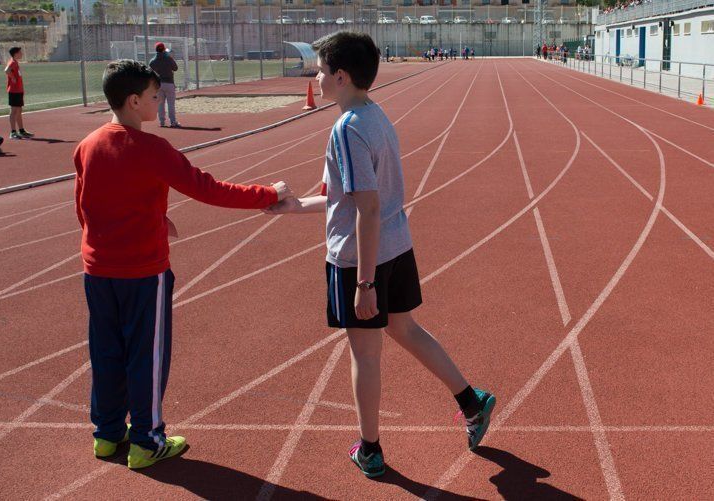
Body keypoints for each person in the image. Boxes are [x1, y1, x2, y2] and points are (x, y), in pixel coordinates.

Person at [264, 32, 496, 478]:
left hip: (358, 259)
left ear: (341, 76)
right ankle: (471, 400)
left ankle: (370, 449)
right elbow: (346, 198)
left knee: (365, 355)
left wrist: (365, 282)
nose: (316, 77)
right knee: (405, 328)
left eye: (320, 71)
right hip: (396, 244)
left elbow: (366, 208)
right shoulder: (374, 114)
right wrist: (296, 206)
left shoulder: (347, 128)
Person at [73, 59, 292, 470]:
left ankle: (106, 434)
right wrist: (268, 193)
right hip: (143, 272)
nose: (159, 101)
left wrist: (152, 217)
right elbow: (206, 189)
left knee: (106, 351)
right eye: (155, 96)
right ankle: (147, 440)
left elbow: (86, 207)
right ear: (135, 101)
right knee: (146, 354)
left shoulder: (87, 145)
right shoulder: (153, 149)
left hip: (97, 269)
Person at [4, 47, 34, 139]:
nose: (22, 54)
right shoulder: (12, 62)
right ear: (16, 54)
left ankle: (21, 130)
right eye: (20, 52)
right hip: (14, 91)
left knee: (19, 111)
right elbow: (6, 70)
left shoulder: (15, 62)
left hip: (19, 90)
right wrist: (12, 77)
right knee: (14, 111)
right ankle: (13, 132)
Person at [149, 42, 180, 128]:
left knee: (160, 104)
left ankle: (162, 121)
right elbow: (175, 68)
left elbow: (150, 70)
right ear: (163, 49)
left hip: (159, 84)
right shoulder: (168, 58)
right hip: (169, 83)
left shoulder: (153, 60)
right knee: (171, 104)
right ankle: (173, 122)